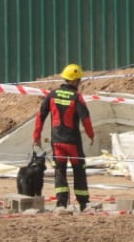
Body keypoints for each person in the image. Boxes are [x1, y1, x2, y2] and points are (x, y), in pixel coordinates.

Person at [32, 64, 96, 211]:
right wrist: (91, 135)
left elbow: (40, 115)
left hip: (57, 142)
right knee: (78, 170)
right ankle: (83, 202)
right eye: (79, 80)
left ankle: (61, 203)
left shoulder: (52, 95)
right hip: (73, 142)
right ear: (74, 81)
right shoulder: (76, 97)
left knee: (59, 171)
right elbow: (85, 119)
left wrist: (36, 136)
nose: (79, 83)